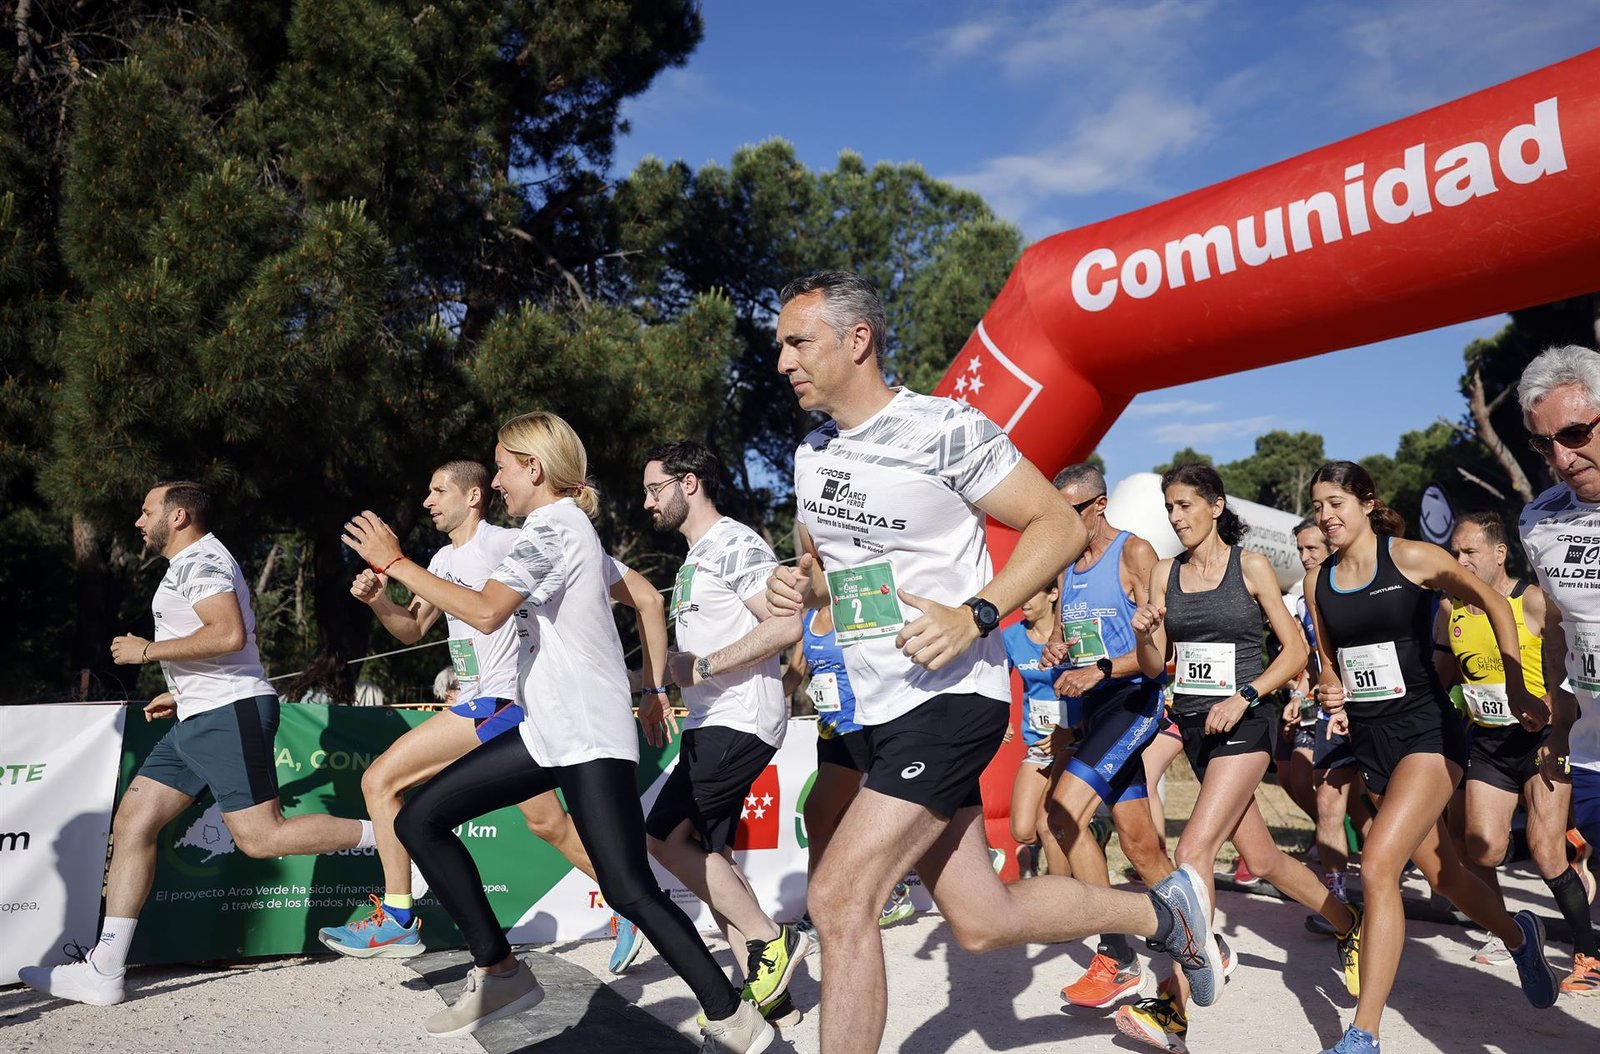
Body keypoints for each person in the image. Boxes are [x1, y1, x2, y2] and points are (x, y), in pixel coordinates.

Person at [766, 270, 1224, 1054]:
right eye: (780, 345)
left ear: (856, 340)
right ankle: (1163, 914)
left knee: (841, 901)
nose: (782, 361)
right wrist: (799, 581)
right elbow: (832, 569)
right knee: (984, 922)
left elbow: (1057, 526)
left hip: (949, 700)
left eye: (796, 341)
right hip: (872, 709)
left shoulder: (944, 428)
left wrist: (976, 612)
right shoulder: (810, 454)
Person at [341, 414, 772, 1050]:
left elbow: (487, 613)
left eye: (504, 468)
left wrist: (397, 562)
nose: (496, 481)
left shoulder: (554, 527)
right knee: (420, 819)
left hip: (588, 736)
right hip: (548, 732)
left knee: (631, 891)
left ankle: (734, 1018)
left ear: (535, 469)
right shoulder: (561, 532)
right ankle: (500, 970)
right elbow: (622, 599)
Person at [20, 481, 376, 1006]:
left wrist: (147, 651)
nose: (139, 522)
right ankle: (105, 969)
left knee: (261, 838)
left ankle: (392, 835)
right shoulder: (189, 565)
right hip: (199, 715)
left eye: (146, 512)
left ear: (179, 515)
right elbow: (226, 645)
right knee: (134, 822)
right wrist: (178, 690)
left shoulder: (202, 561)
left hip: (228, 714)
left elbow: (227, 633)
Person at [319, 460, 670, 960]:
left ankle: (398, 917)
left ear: (475, 496)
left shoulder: (511, 542)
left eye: (439, 490)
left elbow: (643, 596)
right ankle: (632, 905)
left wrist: (653, 688)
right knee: (548, 825)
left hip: (502, 703)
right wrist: (380, 603)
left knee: (380, 781)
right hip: (491, 706)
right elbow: (412, 630)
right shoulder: (440, 560)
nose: (427, 501)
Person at [1306, 460, 1558, 1054]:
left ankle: (1362, 1033)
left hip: (1428, 736)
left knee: (1377, 868)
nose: (1326, 516)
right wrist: (1330, 686)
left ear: (1367, 502)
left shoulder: (1412, 559)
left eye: (1337, 502)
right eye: (1319, 506)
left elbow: (1497, 605)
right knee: (1445, 875)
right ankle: (1519, 935)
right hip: (1371, 741)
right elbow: (1326, 654)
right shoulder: (1320, 582)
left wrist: (1520, 684)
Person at [1115, 464, 1361, 1051]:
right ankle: (1350, 925)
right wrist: (1147, 630)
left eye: (1184, 505)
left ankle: (1182, 993)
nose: (1175, 517)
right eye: (1169, 508)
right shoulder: (1164, 575)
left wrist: (1245, 694)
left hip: (1247, 723)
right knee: (1265, 858)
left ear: (1216, 506)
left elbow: (1295, 649)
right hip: (1199, 730)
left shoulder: (1249, 566)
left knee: (1192, 848)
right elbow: (1156, 665)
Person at [631, 440, 810, 1026]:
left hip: (740, 719)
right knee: (713, 857)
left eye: (654, 488)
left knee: (664, 838)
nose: (646, 502)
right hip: (712, 722)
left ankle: (771, 940)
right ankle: (768, 993)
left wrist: (703, 668)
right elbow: (685, 661)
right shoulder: (694, 559)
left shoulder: (734, 542)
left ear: (689, 484)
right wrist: (646, 682)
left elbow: (784, 626)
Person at [1432, 508, 1599, 989]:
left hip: (1539, 740)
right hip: (1486, 739)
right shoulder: (1452, 608)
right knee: (1482, 848)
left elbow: (1565, 677)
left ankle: (1588, 954)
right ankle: (1511, 932)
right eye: (1454, 552)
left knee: (1547, 856)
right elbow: (1444, 678)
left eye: (1469, 552)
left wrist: (1556, 724)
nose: (1458, 560)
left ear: (1500, 553)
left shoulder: (1531, 602)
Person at [1042, 464, 1178, 1009]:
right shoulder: (1063, 565)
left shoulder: (1134, 552)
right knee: (1140, 845)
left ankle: (1117, 957)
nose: (1063, 523)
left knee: (1061, 813)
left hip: (1133, 702)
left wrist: (1100, 668)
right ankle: (1199, 938)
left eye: (1070, 512)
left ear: (1099, 505)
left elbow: (1159, 653)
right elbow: (1062, 639)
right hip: (1092, 710)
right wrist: (1057, 654)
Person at [1515, 345, 1600, 987]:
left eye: (1575, 434)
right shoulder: (1541, 520)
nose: (1563, 459)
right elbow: (1553, 628)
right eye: (1547, 445)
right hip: (1592, 748)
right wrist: (1555, 715)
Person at [785, 557, 919, 930]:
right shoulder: (808, 619)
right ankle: (887, 896)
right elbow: (797, 671)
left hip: (859, 726)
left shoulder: (855, 609)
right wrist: (768, 703)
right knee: (842, 819)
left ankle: (817, 911)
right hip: (827, 729)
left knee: (817, 812)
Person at [1003, 583, 1073, 879]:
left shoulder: (1072, 632)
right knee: (1022, 831)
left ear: (1053, 595)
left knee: (1050, 825)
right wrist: (1000, 718)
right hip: (1038, 745)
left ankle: (1064, 908)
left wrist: (1071, 733)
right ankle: (1089, 831)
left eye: (1030, 593)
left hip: (1073, 743)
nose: (1022, 600)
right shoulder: (1012, 636)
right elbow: (995, 680)